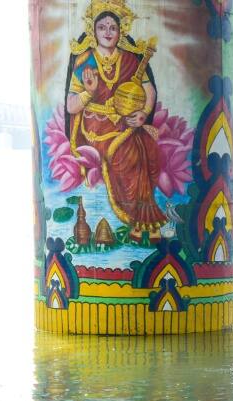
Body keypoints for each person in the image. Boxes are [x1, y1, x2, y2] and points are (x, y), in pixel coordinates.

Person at [65, 2, 165, 242]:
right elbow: (70, 105)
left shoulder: (131, 59)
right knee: (126, 155)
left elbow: (148, 91)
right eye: (102, 27)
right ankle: (137, 218)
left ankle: (145, 220)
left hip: (126, 123)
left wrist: (143, 114)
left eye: (113, 27)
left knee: (149, 150)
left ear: (121, 31)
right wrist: (89, 92)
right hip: (96, 129)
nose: (108, 32)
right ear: (93, 31)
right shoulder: (85, 60)